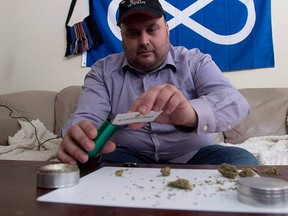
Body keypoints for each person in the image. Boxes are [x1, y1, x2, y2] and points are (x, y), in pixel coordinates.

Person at [57, 0, 258, 165]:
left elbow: (235, 103)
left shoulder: (196, 62)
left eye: (152, 30)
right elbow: (87, 116)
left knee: (243, 161)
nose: (144, 41)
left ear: (167, 29)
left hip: (194, 156)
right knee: (90, 168)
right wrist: (80, 137)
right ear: (122, 37)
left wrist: (189, 114)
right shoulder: (102, 71)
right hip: (126, 157)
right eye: (133, 33)